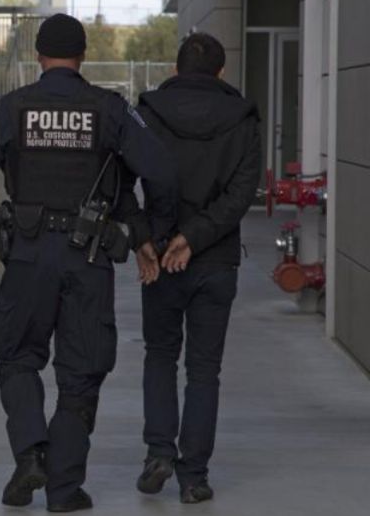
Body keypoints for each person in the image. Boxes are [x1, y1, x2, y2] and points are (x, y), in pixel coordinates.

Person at [0, 13, 177, 512]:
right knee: (81, 371)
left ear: (38, 55)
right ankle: (64, 489)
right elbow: (159, 166)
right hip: (86, 253)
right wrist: (141, 227)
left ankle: (30, 453)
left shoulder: (10, 107)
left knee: (17, 354)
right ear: (83, 56)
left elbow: (9, 168)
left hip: (27, 252)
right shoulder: (109, 109)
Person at [133, 33, 261, 504]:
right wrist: (195, 237)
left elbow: (125, 180)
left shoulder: (149, 112)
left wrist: (152, 238)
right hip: (216, 259)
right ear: (222, 72)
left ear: (176, 68)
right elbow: (241, 195)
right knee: (204, 369)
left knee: (160, 355)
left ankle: (158, 453)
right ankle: (194, 477)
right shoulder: (243, 118)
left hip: (161, 256)